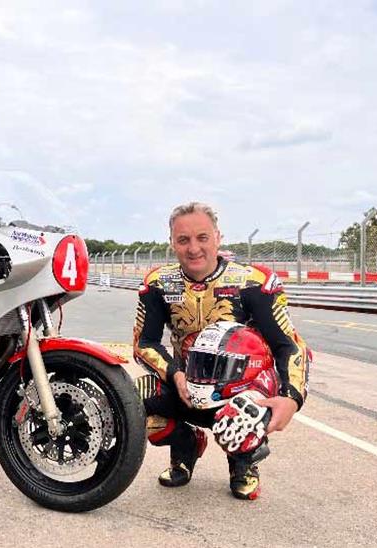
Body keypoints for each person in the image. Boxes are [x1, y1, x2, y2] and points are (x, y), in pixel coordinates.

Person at [132, 201, 310, 500]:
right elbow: (144, 343)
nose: (193, 248)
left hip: (239, 390)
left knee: (250, 399)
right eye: (183, 240)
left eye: (202, 237)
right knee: (132, 400)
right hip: (184, 383)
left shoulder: (253, 282)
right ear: (172, 243)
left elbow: (289, 345)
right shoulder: (158, 283)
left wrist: (292, 397)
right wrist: (175, 374)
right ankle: (186, 445)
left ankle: (243, 463)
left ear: (218, 237)